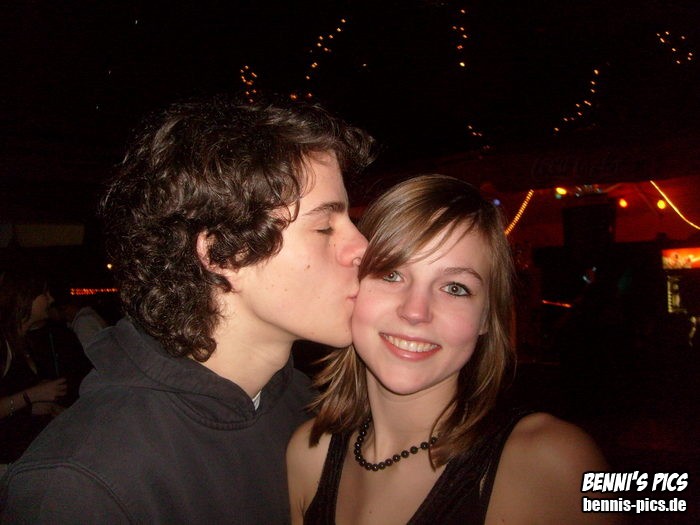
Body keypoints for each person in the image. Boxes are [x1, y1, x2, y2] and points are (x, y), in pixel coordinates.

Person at [1, 97, 374, 523]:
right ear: (222, 254)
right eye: (325, 226)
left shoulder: (308, 407)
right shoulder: (82, 486)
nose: (364, 248)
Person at [287, 175, 619, 524]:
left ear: (487, 318)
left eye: (455, 288)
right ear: (353, 287)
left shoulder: (551, 464)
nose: (415, 311)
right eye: (391, 274)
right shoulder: (308, 455)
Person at [1, 268, 68, 464]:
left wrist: (37, 405)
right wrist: (32, 395)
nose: (51, 299)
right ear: (25, 297)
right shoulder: (2, 344)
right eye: (44, 293)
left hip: (24, 458)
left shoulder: (24, 342)